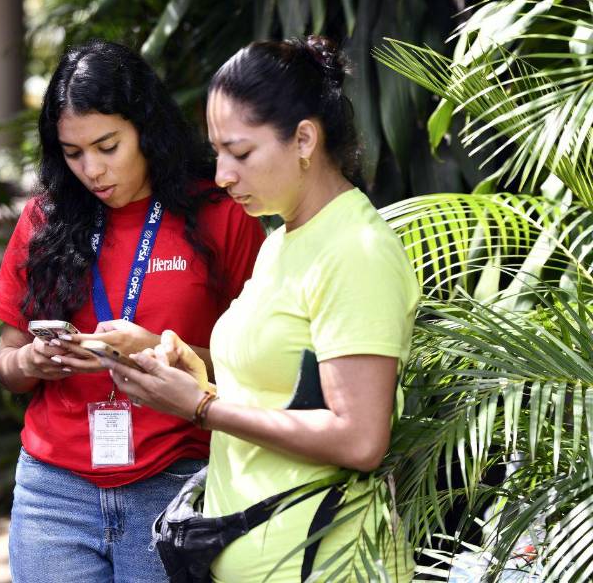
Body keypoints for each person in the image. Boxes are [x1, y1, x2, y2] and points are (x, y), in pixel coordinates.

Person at [103, 36, 420, 582]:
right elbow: (281, 393)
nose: (222, 174)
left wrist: (200, 409)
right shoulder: (282, 238)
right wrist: (192, 372)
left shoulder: (355, 251)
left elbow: (360, 438)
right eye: (218, 151)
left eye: (241, 153)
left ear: (303, 139)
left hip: (324, 564)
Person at [0, 39, 265, 583]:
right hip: (54, 493)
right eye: (73, 153)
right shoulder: (44, 220)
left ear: (144, 127)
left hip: (174, 478)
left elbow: (261, 368)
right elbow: (7, 359)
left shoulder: (221, 213)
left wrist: (161, 352)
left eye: (108, 145)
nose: (92, 169)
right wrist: (30, 364)